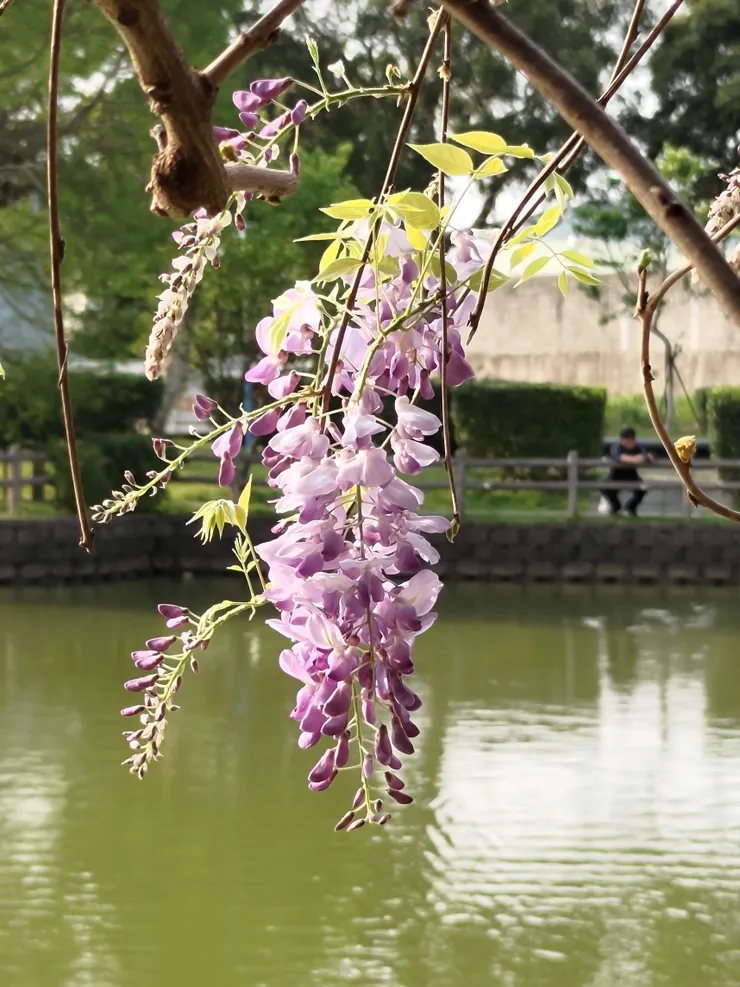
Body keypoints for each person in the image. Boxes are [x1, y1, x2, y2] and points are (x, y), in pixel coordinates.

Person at [600, 426, 653, 517]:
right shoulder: (616, 446)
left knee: (643, 489)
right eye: (626, 439)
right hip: (615, 476)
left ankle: (630, 508)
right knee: (604, 488)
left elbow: (648, 457)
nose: (628, 442)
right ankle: (616, 507)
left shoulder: (637, 447)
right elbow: (618, 457)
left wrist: (643, 457)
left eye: (630, 440)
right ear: (621, 439)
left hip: (632, 476)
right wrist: (635, 459)